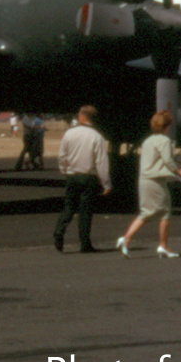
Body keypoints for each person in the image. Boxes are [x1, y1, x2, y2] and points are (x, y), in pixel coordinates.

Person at [117, 110, 181, 258]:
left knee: (147, 211)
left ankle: (127, 238)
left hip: (144, 179)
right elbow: (168, 161)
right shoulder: (165, 141)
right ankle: (163, 246)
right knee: (165, 211)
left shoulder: (147, 140)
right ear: (167, 126)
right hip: (155, 180)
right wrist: (178, 171)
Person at [53, 106, 111, 253]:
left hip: (72, 176)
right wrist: (106, 183)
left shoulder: (69, 134)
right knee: (85, 211)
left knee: (69, 206)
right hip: (88, 177)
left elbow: (62, 156)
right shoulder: (96, 137)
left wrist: (65, 170)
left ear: (82, 116)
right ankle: (85, 243)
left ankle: (59, 230)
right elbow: (101, 162)